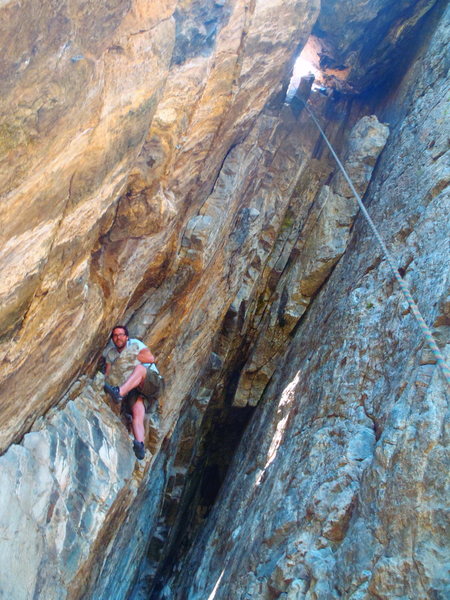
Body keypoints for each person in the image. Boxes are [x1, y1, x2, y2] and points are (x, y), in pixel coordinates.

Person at [103, 325, 161, 460]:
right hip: (135, 390)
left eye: (121, 334)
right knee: (137, 413)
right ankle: (139, 444)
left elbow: (150, 358)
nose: (119, 338)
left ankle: (120, 392)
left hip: (152, 381)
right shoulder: (111, 354)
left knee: (140, 369)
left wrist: (129, 357)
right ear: (112, 339)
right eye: (115, 335)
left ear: (127, 336)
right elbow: (108, 374)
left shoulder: (135, 344)